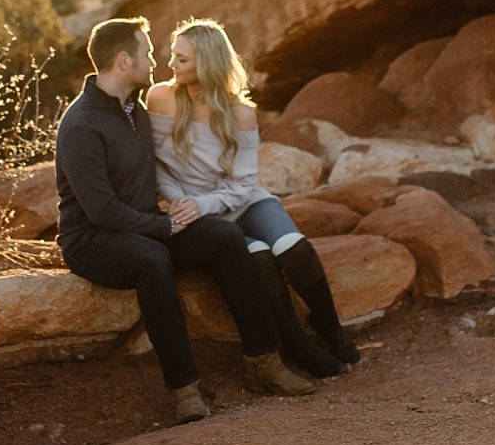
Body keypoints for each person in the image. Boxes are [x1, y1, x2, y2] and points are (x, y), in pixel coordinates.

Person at [55, 16, 317, 423]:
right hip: (92, 241)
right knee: (152, 260)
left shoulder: (134, 109)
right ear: (124, 61)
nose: (154, 61)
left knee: (226, 237)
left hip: (142, 224)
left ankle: (263, 361)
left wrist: (182, 209)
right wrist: (164, 226)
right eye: (145, 54)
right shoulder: (82, 124)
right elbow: (101, 212)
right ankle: (184, 389)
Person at [147, 19, 361, 379]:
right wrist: (180, 199)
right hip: (201, 216)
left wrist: (205, 203)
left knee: (293, 248)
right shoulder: (160, 98)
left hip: (242, 202)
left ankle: (330, 327)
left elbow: (244, 185)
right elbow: (154, 165)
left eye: (181, 59)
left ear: (209, 62)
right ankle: (296, 343)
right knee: (259, 257)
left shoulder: (240, 113)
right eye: (173, 56)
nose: (171, 65)